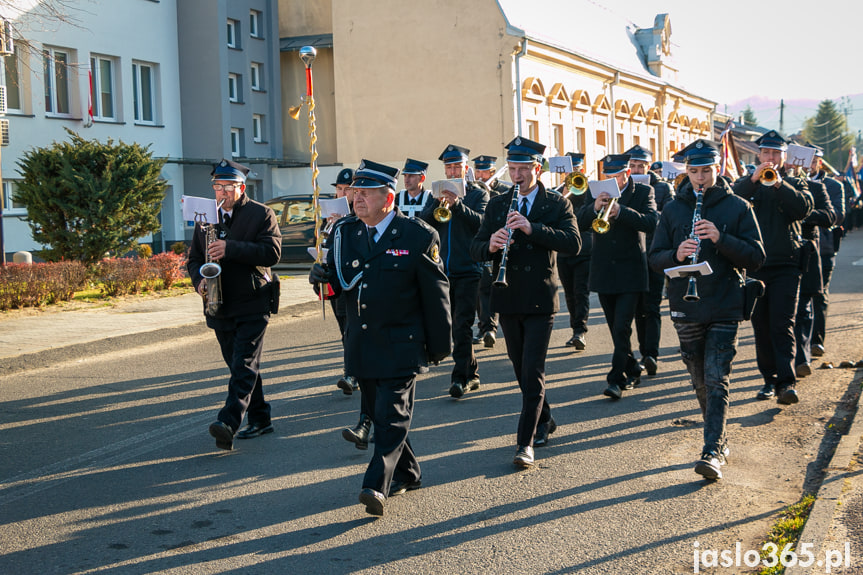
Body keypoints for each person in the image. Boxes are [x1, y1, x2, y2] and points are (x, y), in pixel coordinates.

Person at [309, 160, 451, 516]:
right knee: (380, 410)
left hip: (402, 343)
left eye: (366, 193)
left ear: (388, 197)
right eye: (355, 192)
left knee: (391, 417)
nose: (357, 199)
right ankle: (409, 472)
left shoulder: (417, 235)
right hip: (362, 341)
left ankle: (376, 483)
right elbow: (340, 286)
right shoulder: (346, 233)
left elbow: (436, 295)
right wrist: (320, 280)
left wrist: (439, 346)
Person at [649, 139, 765, 480]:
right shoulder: (672, 209)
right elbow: (654, 259)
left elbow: (757, 258)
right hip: (686, 304)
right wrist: (677, 255)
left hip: (726, 304)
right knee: (700, 379)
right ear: (687, 171)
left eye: (707, 171)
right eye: (694, 171)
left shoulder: (738, 206)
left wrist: (720, 238)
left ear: (719, 169)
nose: (700, 178)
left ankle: (711, 450)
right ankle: (719, 437)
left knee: (717, 378)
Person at [471, 136, 581, 468]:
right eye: (513, 169)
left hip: (539, 298)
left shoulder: (557, 203)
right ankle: (544, 419)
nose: (516, 176)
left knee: (533, 370)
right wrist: (490, 244)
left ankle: (525, 442)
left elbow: (574, 243)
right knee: (521, 370)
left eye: (523, 169)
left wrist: (533, 228)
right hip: (506, 295)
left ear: (537, 169)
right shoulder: (497, 204)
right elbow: (474, 249)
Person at [187, 159, 282, 451]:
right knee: (240, 365)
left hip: (253, 300)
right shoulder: (205, 217)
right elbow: (193, 259)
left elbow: (272, 253)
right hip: (218, 303)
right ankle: (261, 417)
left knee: (243, 364)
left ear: (241, 188)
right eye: (217, 187)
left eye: (228, 187)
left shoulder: (261, 214)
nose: (221, 192)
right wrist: (199, 281)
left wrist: (231, 248)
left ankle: (228, 421)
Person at [732, 131, 813, 404]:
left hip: (787, 266)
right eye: (766, 153)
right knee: (761, 326)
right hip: (755, 266)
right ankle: (769, 379)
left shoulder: (795, 182)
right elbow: (730, 204)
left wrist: (780, 185)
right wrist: (753, 180)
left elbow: (803, 209)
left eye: (775, 154)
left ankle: (786, 383)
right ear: (759, 155)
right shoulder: (747, 183)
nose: (770, 158)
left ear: (783, 157)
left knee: (782, 324)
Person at [577, 154, 658, 400]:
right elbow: (579, 222)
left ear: (627, 174)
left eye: (617, 176)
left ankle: (616, 379)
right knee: (615, 328)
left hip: (631, 270)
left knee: (622, 325)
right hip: (604, 270)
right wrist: (594, 208)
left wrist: (621, 211)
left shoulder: (644, 192)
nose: (611, 181)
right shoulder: (595, 193)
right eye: (608, 176)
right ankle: (632, 367)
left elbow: (651, 222)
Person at [420, 144, 489, 398]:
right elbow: (426, 224)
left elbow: (482, 224)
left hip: (469, 269)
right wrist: (437, 204)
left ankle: (459, 378)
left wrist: (457, 205)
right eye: (448, 167)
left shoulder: (477, 194)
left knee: (462, 325)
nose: (452, 171)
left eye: (456, 166)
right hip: (442, 270)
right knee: (451, 327)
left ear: (466, 168)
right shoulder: (435, 193)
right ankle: (471, 373)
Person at [626, 145, 673, 376]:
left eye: (641, 165)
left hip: (654, 252)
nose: (636, 169)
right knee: (635, 308)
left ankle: (650, 354)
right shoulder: (621, 187)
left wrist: (652, 210)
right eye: (632, 165)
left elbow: (670, 216)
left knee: (651, 306)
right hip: (631, 254)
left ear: (648, 166)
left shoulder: (662, 187)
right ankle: (639, 353)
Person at [793, 155, 836, 377]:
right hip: (778, 258)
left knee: (804, 308)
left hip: (809, 254)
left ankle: (802, 358)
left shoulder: (817, 187)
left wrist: (802, 211)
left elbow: (832, 215)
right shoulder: (767, 184)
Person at [807, 144, 845, 357]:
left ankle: (817, 341)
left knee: (819, 295)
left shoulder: (832, 185)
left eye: (813, 161)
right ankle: (800, 344)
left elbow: (839, 215)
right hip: (796, 248)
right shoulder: (791, 181)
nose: (809, 165)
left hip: (824, 247)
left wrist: (807, 212)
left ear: (819, 162)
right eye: (806, 160)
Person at [471, 155, 511, 348]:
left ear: (492, 173)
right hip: (485, 244)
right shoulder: (474, 190)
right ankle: (487, 328)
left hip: (502, 243)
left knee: (496, 287)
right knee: (482, 289)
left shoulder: (504, 191)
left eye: (483, 171)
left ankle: (496, 325)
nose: (479, 175)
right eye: (477, 171)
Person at [327, 168, 359, 395]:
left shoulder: (358, 215)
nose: (342, 194)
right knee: (343, 327)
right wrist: (329, 227)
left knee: (352, 327)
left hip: (353, 279)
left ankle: (352, 372)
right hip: (334, 279)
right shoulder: (330, 216)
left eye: (347, 190)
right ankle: (353, 369)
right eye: (339, 189)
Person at [555, 152, 592, 350]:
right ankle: (574, 329)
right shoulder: (558, 192)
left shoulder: (589, 191)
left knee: (581, 292)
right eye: (569, 170)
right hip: (563, 250)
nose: (573, 173)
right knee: (569, 293)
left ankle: (581, 331)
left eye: (576, 170)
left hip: (584, 250)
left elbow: (585, 219)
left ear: (582, 170)